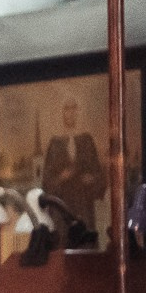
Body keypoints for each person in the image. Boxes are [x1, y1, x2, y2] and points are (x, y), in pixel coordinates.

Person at [36, 96, 104, 227]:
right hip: (61, 207)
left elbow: (99, 175)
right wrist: (62, 177)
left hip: (83, 205)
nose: (70, 113)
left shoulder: (87, 141)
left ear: (78, 111)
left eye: (73, 108)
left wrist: (91, 179)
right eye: (67, 109)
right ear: (62, 112)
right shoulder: (55, 144)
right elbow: (46, 181)